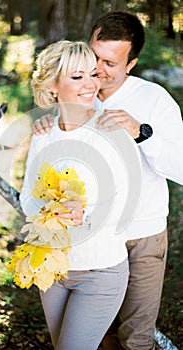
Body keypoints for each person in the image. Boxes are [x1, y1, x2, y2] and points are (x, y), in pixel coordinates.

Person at [31, 11, 183, 350]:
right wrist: (45, 126)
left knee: (134, 337)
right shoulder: (75, 92)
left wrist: (140, 133)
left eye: (110, 63)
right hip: (83, 242)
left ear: (131, 64)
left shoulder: (154, 99)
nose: (97, 70)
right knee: (93, 336)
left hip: (140, 236)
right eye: (93, 55)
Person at [20, 40, 132, 350]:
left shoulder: (110, 130)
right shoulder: (44, 133)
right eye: (77, 76)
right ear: (53, 86)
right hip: (53, 270)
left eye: (93, 74)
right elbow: (26, 197)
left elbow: (124, 203)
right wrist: (47, 209)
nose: (90, 85)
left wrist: (87, 216)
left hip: (99, 270)